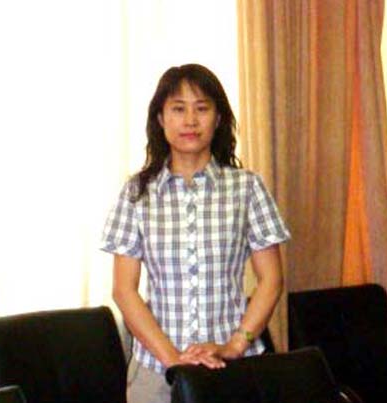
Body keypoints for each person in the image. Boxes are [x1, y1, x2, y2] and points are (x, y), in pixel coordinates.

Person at [101, 63, 290, 403]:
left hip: (232, 368)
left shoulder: (247, 188)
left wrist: (235, 345)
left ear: (218, 119)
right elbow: (124, 290)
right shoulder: (136, 193)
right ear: (161, 119)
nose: (190, 121)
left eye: (202, 108)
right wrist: (174, 360)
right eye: (178, 109)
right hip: (155, 371)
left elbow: (271, 280)